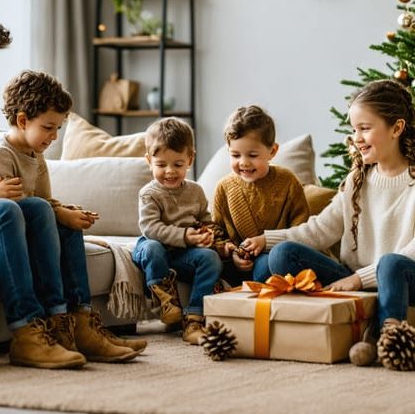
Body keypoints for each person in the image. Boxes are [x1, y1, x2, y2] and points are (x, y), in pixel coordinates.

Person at [0, 66, 146, 368]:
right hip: (4, 226)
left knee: (66, 222)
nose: (54, 137)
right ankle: (55, 317)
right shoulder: (0, 156)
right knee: (49, 213)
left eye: (58, 128)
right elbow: (12, 207)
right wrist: (55, 211)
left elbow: (44, 200)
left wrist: (65, 212)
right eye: (48, 127)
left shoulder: (36, 156)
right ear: (22, 120)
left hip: (28, 218)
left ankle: (79, 322)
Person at [257, 79, 415, 371]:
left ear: (396, 128)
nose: (356, 137)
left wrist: (358, 280)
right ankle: (339, 324)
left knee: (391, 264)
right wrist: (264, 240)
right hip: (356, 279)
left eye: (365, 128)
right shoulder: (358, 179)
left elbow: (410, 253)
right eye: (354, 129)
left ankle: (387, 340)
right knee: (281, 255)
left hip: (401, 276)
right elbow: (319, 230)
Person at [132, 117, 222, 344]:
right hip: (155, 247)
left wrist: (208, 233)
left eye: (178, 164)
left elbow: (204, 219)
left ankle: (194, 319)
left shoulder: (196, 192)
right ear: (149, 161)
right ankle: (165, 299)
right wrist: (184, 236)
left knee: (210, 258)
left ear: (190, 159)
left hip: (183, 253)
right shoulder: (149, 193)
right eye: (161, 165)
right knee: (152, 247)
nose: (170, 172)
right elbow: (150, 227)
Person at [212, 105, 310, 285]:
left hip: (273, 258)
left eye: (252, 155)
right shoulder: (223, 188)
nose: (243, 162)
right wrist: (233, 253)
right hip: (235, 262)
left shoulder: (288, 182)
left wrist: (267, 242)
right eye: (235, 155)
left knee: (265, 266)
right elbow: (217, 232)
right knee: (212, 264)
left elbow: (301, 227)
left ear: (272, 151)